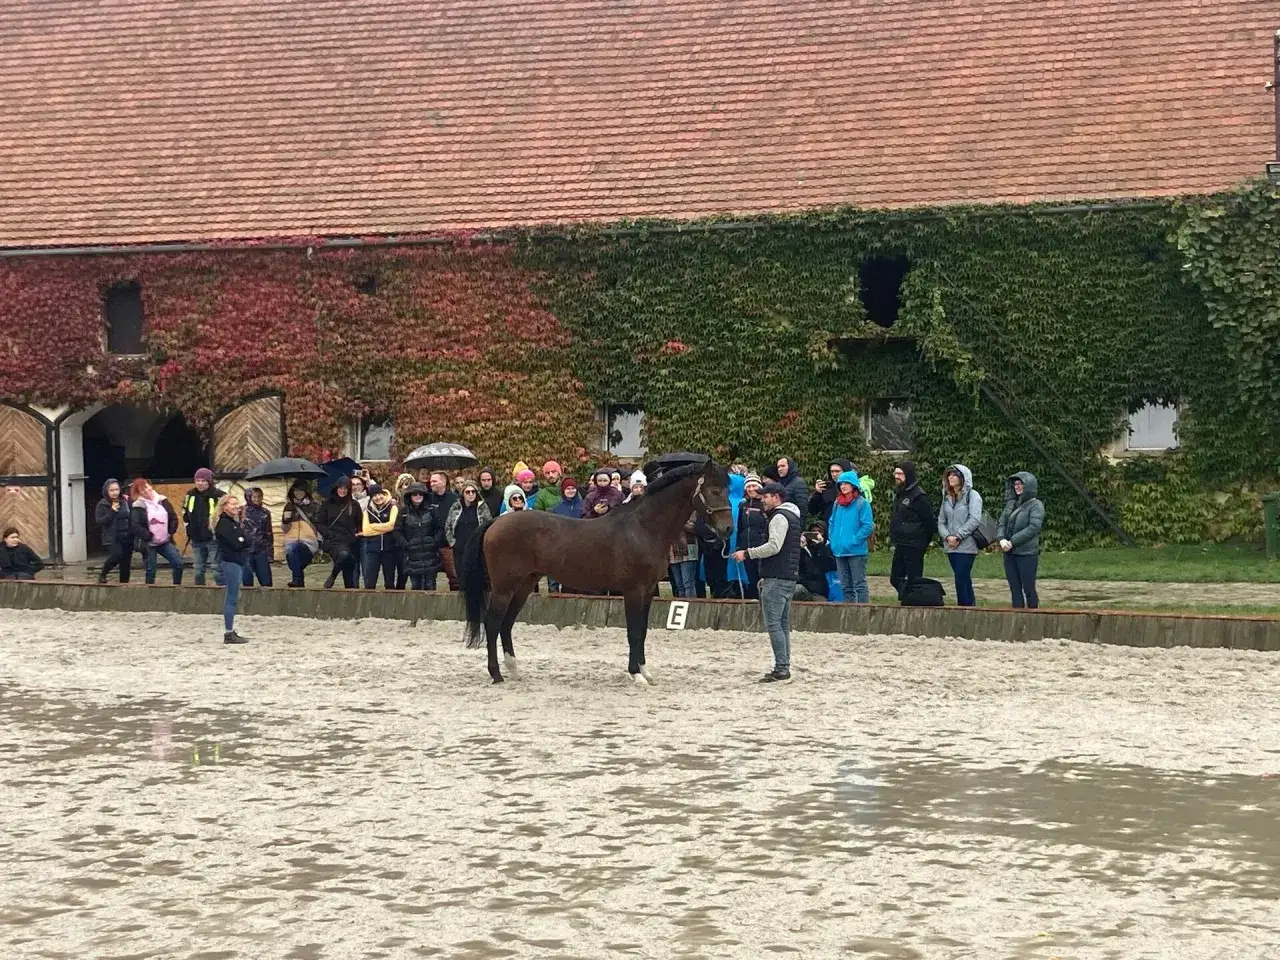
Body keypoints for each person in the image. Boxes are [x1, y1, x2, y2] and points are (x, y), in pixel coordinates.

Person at [733, 481, 803, 684]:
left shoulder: (779, 517)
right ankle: (784, 665)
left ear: (776, 497)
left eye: (766, 496)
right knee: (782, 624)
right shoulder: (792, 516)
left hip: (776, 576)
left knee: (774, 624)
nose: (762, 499)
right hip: (787, 575)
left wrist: (747, 553)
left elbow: (773, 546)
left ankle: (781, 668)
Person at [997, 471, 1045, 609]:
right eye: (1015, 484)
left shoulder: (1036, 505)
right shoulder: (1011, 504)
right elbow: (1002, 522)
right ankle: (1017, 615)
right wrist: (1001, 539)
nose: (1017, 486)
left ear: (1028, 485)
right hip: (1009, 553)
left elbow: (1033, 527)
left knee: (1029, 588)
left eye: (1020, 484)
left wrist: (1012, 541)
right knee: (1014, 589)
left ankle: (1034, 615)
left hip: (1026, 553)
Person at [938, 464, 982, 607]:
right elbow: (941, 521)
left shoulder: (973, 496)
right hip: (950, 546)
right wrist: (947, 537)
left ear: (963, 478)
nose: (950, 477)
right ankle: (970, 607)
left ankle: (963, 609)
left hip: (966, 545)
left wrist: (958, 536)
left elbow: (974, 519)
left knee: (960, 579)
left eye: (954, 475)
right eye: (949, 475)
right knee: (963, 579)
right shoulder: (947, 497)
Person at [828, 468, 874, 603]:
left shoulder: (862, 503)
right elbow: (832, 522)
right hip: (839, 550)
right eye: (841, 484)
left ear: (853, 485)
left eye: (846, 483)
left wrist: (854, 540)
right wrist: (833, 539)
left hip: (856, 551)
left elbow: (867, 526)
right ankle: (849, 611)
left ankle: (864, 611)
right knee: (845, 586)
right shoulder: (837, 503)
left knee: (859, 584)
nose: (843, 486)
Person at [888, 461, 933, 596]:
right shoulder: (900, 493)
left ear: (908, 475)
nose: (897, 476)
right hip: (900, 542)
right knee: (895, 578)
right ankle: (906, 597)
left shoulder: (919, 496)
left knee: (915, 579)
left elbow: (929, 522)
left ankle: (915, 600)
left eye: (900, 474)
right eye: (895, 473)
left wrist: (923, 541)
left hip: (914, 543)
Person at [130, 479, 183, 584]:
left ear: (150, 486)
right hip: (148, 543)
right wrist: (148, 535)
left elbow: (173, 517)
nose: (146, 491)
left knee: (178, 564)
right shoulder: (138, 506)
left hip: (165, 541)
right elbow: (135, 525)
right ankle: (150, 590)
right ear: (139, 493)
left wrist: (170, 532)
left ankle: (176, 587)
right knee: (151, 570)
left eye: (146, 487)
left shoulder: (163, 500)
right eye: (142, 490)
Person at [214, 493, 249, 643]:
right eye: (232, 504)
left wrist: (242, 539)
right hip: (230, 562)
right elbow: (237, 543)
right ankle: (228, 632)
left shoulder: (234, 523)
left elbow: (246, 540)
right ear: (224, 507)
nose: (236, 507)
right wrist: (241, 540)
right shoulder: (224, 524)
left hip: (237, 561)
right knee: (232, 597)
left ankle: (230, 631)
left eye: (236, 504)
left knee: (235, 596)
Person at [183, 468, 225, 586]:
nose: (200, 483)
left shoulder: (219, 495)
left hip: (213, 539)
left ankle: (223, 590)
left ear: (209, 482)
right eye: (197, 480)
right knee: (198, 571)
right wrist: (188, 529)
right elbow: (185, 512)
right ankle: (199, 592)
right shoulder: (190, 495)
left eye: (203, 480)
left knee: (216, 569)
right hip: (196, 538)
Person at [395, 483, 441, 590]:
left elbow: (440, 528)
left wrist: (434, 541)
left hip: (430, 554)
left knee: (430, 585)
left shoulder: (432, 510)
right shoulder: (403, 512)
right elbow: (397, 531)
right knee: (415, 585)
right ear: (409, 496)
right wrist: (406, 544)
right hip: (412, 555)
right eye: (415, 494)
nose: (418, 496)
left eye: (421, 494)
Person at [320, 476, 361, 589]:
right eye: (340, 488)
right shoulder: (328, 504)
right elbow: (319, 522)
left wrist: (358, 533)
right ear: (336, 488)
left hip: (349, 541)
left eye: (345, 488)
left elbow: (359, 523)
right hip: (333, 540)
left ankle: (350, 594)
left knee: (349, 574)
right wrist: (328, 534)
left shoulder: (354, 505)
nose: (343, 490)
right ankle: (333, 576)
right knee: (344, 555)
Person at [735, 474, 769, 600]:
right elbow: (740, 527)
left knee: (762, 577)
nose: (751, 489)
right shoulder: (743, 505)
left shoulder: (765, 504)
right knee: (751, 577)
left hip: (761, 547)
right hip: (746, 547)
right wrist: (739, 546)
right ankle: (754, 601)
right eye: (748, 486)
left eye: (754, 486)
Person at [281, 481, 321, 588]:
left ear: (306, 492)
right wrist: (285, 520)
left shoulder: (314, 506)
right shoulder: (289, 506)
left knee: (296, 551)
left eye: (301, 491)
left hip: (308, 543)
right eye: (296, 491)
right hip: (290, 541)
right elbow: (284, 529)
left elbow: (321, 525)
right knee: (293, 559)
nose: (298, 493)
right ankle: (299, 582)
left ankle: (297, 580)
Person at [361, 483, 400, 589]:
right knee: (370, 581)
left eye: (379, 494)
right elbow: (366, 531)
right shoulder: (367, 511)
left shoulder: (393, 508)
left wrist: (374, 526)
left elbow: (392, 525)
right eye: (374, 496)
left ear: (383, 494)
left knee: (389, 581)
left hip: (389, 548)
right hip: (372, 549)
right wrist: (384, 528)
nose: (378, 497)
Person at [94, 478, 133, 583]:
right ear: (106, 491)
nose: (115, 492)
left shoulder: (125, 501)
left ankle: (124, 584)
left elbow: (130, 516)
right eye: (111, 490)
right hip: (112, 536)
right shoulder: (102, 504)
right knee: (116, 555)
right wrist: (112, 511)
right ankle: (103, 573)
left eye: (116, 489)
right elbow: (100, 521)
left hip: (127, 536)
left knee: (126, 562)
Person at [426, 472, 460, 590]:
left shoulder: (454, 499)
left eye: (434, 481)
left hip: (448, 545)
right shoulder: (428, 498)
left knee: (454, 577)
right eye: (431, 481)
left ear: (444, 482)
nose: (431, 484)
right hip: (431, 544)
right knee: (429, 578)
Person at [446, 480, 492, 560]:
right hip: (460, 548)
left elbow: (489, 525)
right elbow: (448, 525)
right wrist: (452, 543)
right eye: (467, 492)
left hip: (477, 548)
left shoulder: (482, 507)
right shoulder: (456, 507)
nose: (471, 494)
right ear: (463, 493)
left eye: (473, 491)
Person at [238, 487, 274, 587]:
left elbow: (268, 533)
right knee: (247, 581)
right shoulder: (241, 511)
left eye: (259, 497)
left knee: (266, 581)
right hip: (245, 550)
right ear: (248, 497)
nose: (257, 499)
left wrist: (270, 554)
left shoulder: (265, 512)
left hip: (261, 550)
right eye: (254, 497)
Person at [796, 522, 836, 600]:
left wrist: (821, 546)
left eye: (819, 531)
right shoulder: (804, 549)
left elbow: (829, 566)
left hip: (820, 591)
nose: (816, 534)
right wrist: (801, 549)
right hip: (805, 587)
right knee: (795, 590)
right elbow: (798, 567)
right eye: (813, 531)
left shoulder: (829, 548)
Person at [808, 459, 854, 526]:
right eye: (832, 471)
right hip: (827, 527)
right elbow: (813, 510)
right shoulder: (826, 487)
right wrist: (817, 493)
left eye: (837, 471)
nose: (834, 474)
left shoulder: (854, 488)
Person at [668, 513, 700, 598]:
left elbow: (695, 529)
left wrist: (679, 522)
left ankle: (691, 604)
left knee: (688, 584)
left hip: (688, 552)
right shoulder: (669, 511)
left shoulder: (691, 511)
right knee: (679, 585)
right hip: (673, 552)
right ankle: (682, 604)